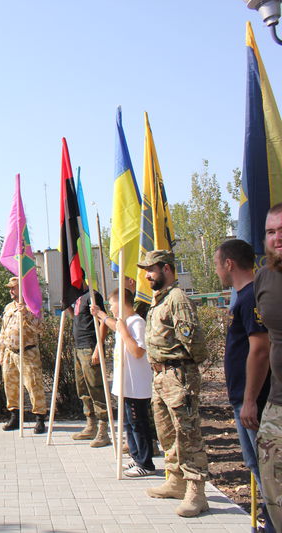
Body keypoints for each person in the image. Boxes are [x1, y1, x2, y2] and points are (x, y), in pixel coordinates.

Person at [138, 249, 209, 517]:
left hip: (178, 375)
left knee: (187, 433)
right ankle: (176, 479)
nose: (147, 275)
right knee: (167, 432)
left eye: (151, 270)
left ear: (167, 269)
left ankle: (196, 491)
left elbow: (194, 341)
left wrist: (187, 370)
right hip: (160, 376)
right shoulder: (160, 300)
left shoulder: (177, 298)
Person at [215, 239, 275, 532]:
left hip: (254, 400)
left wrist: (250, 399)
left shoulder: (251, 296)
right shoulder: (242, 296)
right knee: (256, 466)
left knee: (267, 470)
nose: (217, 271)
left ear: (229, 264)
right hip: (243, 398)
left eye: (217, 264)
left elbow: (260, 348)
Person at [92, 289, 155, 477]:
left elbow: (137, 351)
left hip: (136, 385)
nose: (111, 308)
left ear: (121, 303)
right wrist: (101, 315)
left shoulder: (136, 322)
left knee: (138, 423)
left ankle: (146, 462)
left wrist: (123, 331)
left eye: (112, 304)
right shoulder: (124, 323)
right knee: (128, 423)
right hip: (125, 384)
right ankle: (136, 457)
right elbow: (113, 325)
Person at [253, 203, 282, 531]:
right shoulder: (264, 278)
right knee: (272, 484)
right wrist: (251, 399)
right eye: (271, 232)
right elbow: (262, 345)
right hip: (276, 401)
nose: (277, 238)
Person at [0, 277, 47, 433]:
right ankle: (15, 417)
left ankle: (39, 419)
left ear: (22, 288)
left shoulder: (33, 306)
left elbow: (41, 328)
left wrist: (26, 313)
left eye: (14, 287)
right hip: (10, 353)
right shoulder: (8, 307)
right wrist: (1, 351)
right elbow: (3, 331)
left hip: (28, 352)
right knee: (10, 387)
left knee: (33, 385)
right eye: (10, 288)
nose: (11, 291)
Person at [70, 282, 111, 447]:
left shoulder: (93, 296)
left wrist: (98, 348)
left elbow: (103, 322)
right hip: (78, 347)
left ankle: (103, 428)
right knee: (83, 389)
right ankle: (91, 424)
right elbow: (77, 319)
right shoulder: (77, 298)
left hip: (90, 347)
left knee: (96, 387)